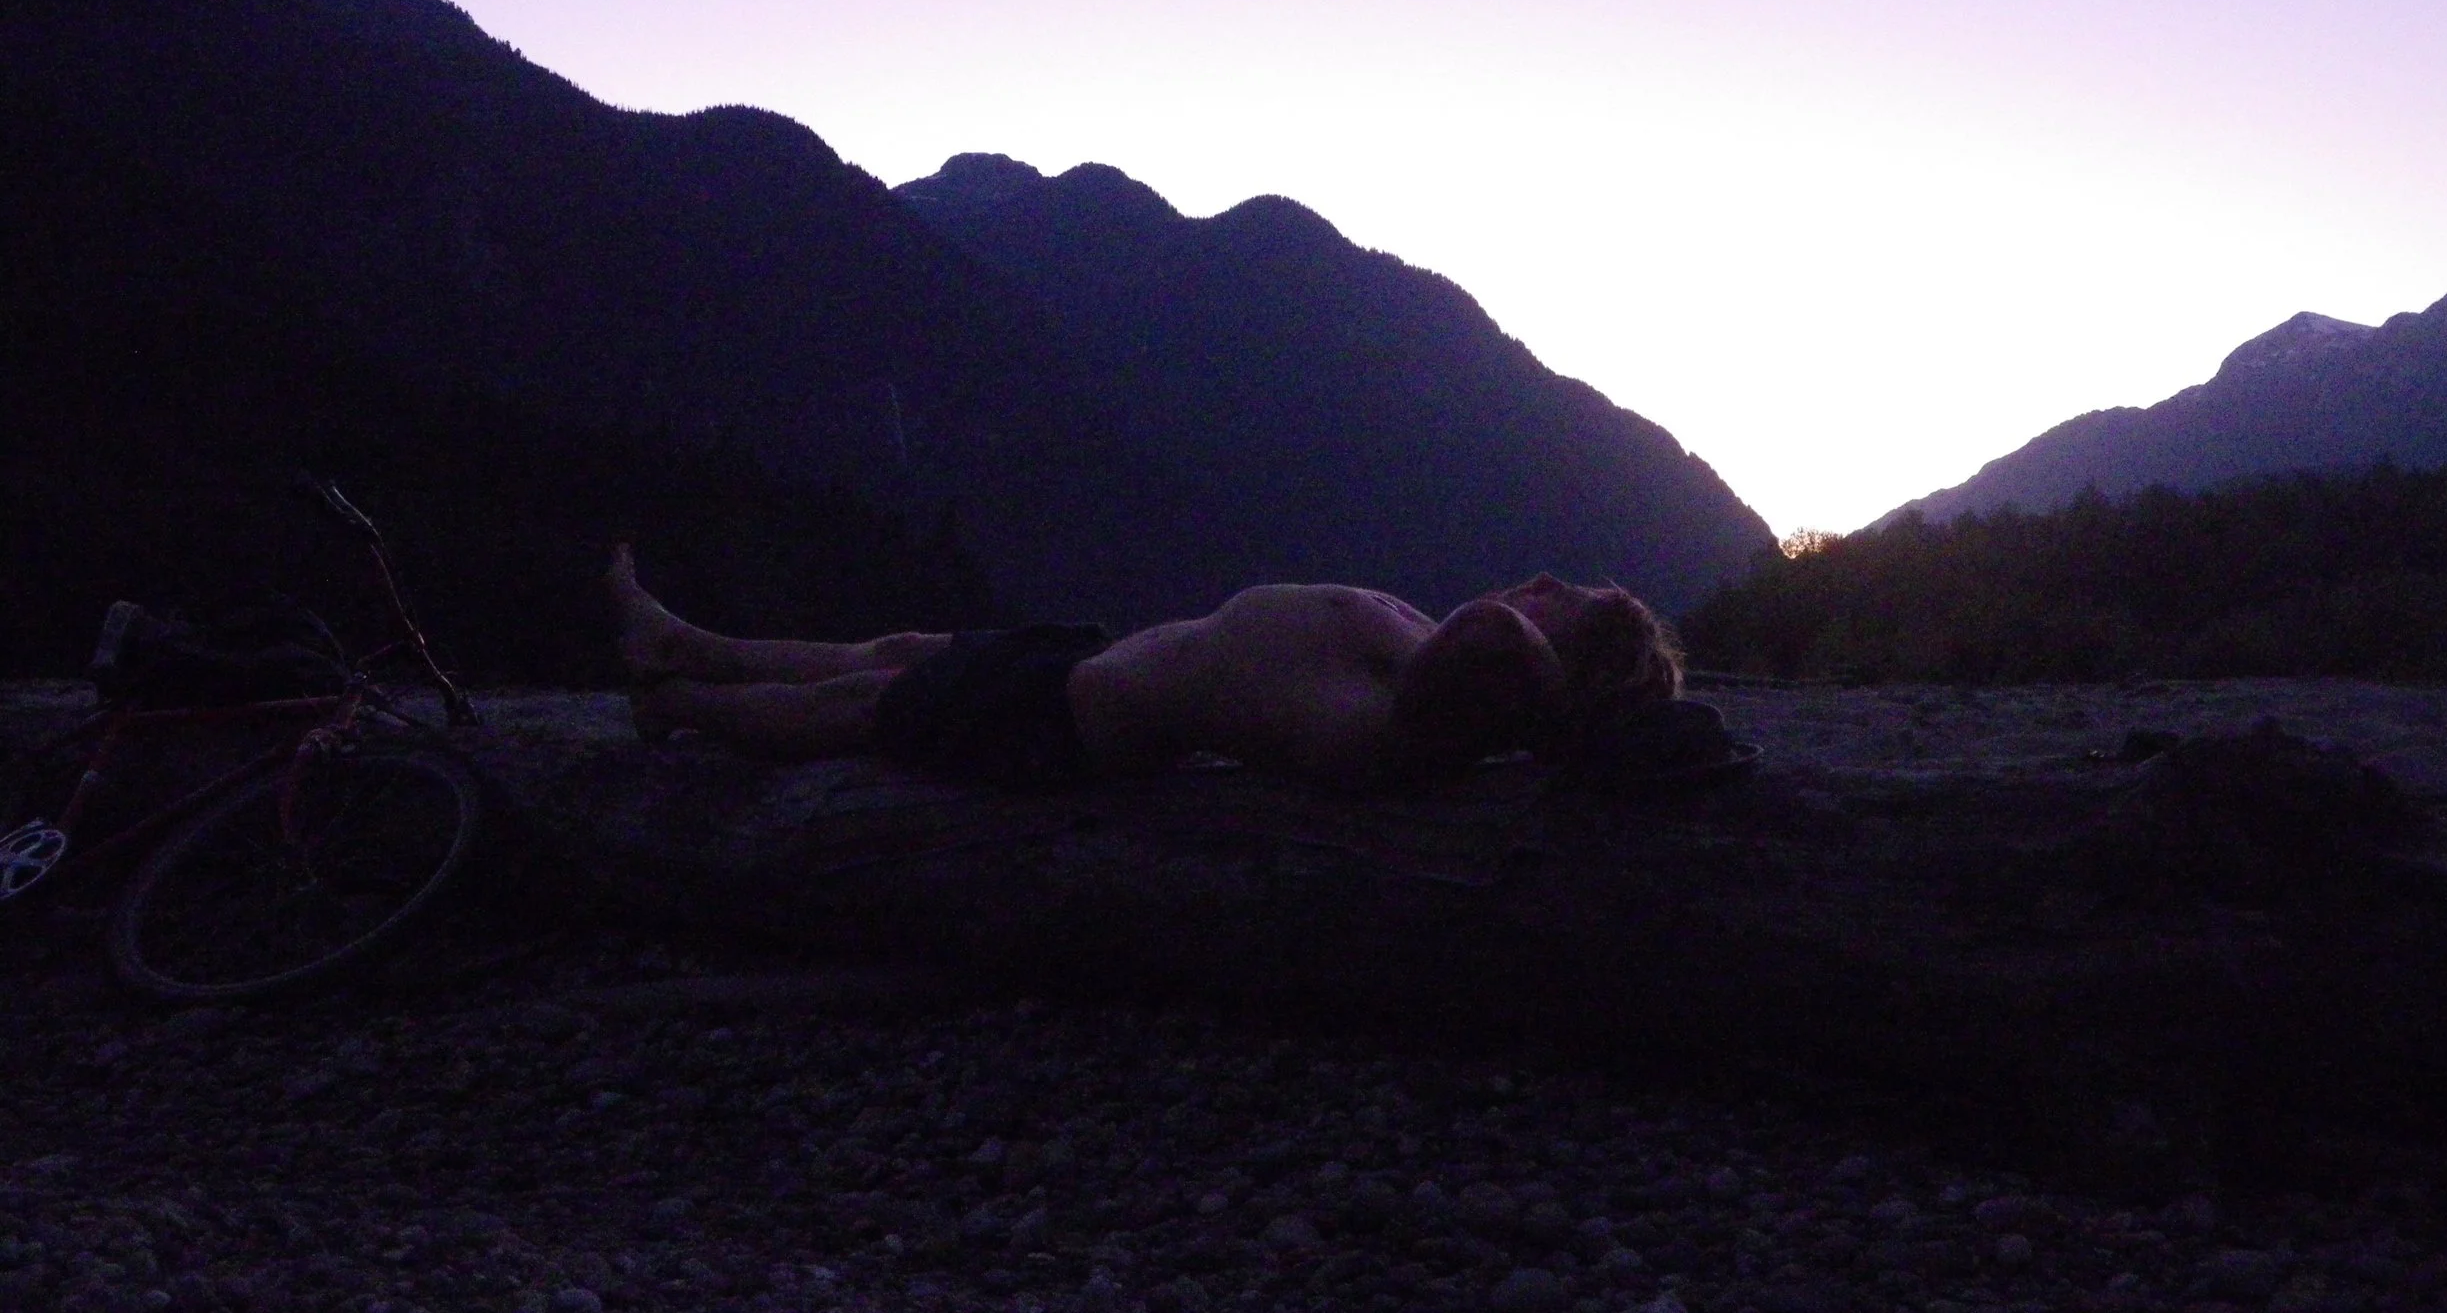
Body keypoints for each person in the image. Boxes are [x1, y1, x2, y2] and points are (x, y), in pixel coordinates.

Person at [609, 549, 1681, 792]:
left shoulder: (1414, 708)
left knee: (861, 706)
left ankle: (677, 703)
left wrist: (1558, 684)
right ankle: (687, 645)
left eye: (1559, 602)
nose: (1536, 583)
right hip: (1097, 657)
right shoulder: (1421, 648)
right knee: (895, 653)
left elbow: (1493, 664)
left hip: (1068, 718)